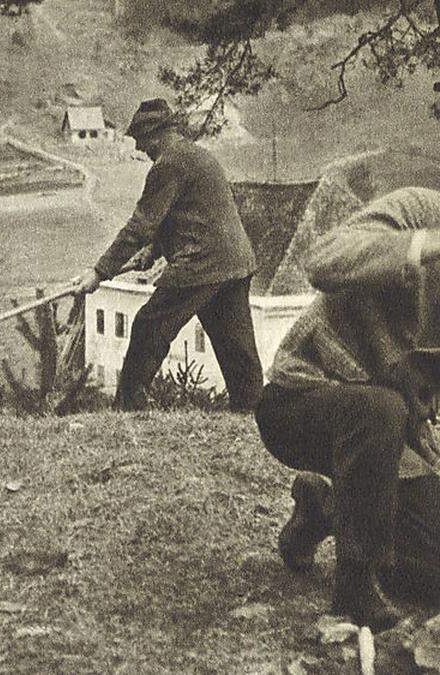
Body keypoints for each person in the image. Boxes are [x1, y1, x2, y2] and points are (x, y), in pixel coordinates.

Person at [256, 186, 440, 631]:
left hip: (394, 438)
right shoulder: (417, 211)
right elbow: (323, 258)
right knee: (380, 408)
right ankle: (354, 588)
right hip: (300, 403)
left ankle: (325, 508)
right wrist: (423, 246)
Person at [70, 98, 263, 412]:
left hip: (202, 263)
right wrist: (153, 251)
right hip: (235, 262)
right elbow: (187, 214)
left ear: (155, 134)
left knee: (149, 326)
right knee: (236, 345)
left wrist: (99, 272)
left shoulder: (168, 163)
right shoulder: (197, 156)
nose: (140, 149)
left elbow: (141, 224)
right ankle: (253, 410)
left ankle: (128, 409)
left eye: (141, 141)